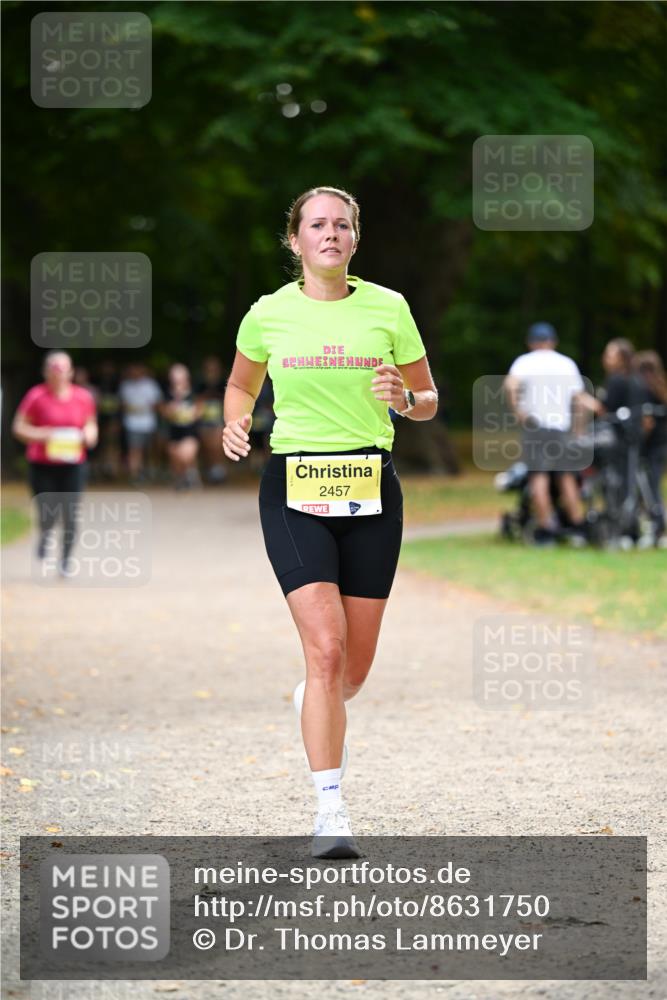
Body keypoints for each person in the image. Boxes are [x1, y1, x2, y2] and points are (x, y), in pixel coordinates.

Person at [222, 186, 438, 858]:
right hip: (293, 486)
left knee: (352, 670)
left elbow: (428, 398)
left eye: (341, 224)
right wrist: (233, 419)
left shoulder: (388, 309)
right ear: (295, 240)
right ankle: (330, 812)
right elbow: (240, 384)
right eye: (316, 224)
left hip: (372, 488)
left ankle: (316, 700)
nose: (330, 234)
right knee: (325, 651)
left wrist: (405, 398)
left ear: (354, 238)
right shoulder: (268, 315)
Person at [504, 323, 597, 546]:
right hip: (561, 429)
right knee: (566, 477)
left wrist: (519, 412)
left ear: (531, 342)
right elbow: (580, 400)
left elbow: (510, 386)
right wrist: (578, 429)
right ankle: (576, 526)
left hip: (536, 427)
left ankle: (546, 529)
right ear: (553, 341)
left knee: (539, 477)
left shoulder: (524, 362)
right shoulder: (567, 364)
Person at [11, 350, 98, 576]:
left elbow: (91, 424)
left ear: (71, 372)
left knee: (70, 512)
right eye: (54, 369)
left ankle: (66, 560)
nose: (58, 373)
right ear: (46, 372)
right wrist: (42, 435)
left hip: (73, 463)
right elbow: (18, 427)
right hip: (42, 464)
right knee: (47, 511)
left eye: (63, 368)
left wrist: (89, 435)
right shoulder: (36, 396)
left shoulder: (83, 397)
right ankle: (45, 534)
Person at [633, 350, 667, 545]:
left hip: (649, 446)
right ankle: (657, 526)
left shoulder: (644, 389)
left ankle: (655, 526)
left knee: (647, 487)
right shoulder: (661, 388)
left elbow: (647, 423)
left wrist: (638, 441)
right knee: (653, 486)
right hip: (662, 445)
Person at [160, 363, 203, 489]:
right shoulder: (168, 395)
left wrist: (191, 413)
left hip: (190, 432)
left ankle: (191, 474)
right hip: (174, 432)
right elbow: (164, 412)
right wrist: (173, 407)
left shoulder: (193, 393)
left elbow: (199, 411)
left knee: (186, 455)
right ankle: (183, 477)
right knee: (175, 457)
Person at [118, 362, 163, 484]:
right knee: (134, 449)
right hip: (132, 423)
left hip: (148, 423)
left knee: (150, 450)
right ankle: (135, 475)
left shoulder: (151, 385)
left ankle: (150, 471)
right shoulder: (126, 386)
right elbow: (122, 404)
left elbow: (157, 404)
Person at [195, 355, 227, 484]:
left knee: (218, 445)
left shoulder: (223, 383)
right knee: (207, 446)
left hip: (219, 419)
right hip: (204, 419)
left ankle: (219, 470)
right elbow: (197, 400)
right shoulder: (200, 383)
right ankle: (210, 470)